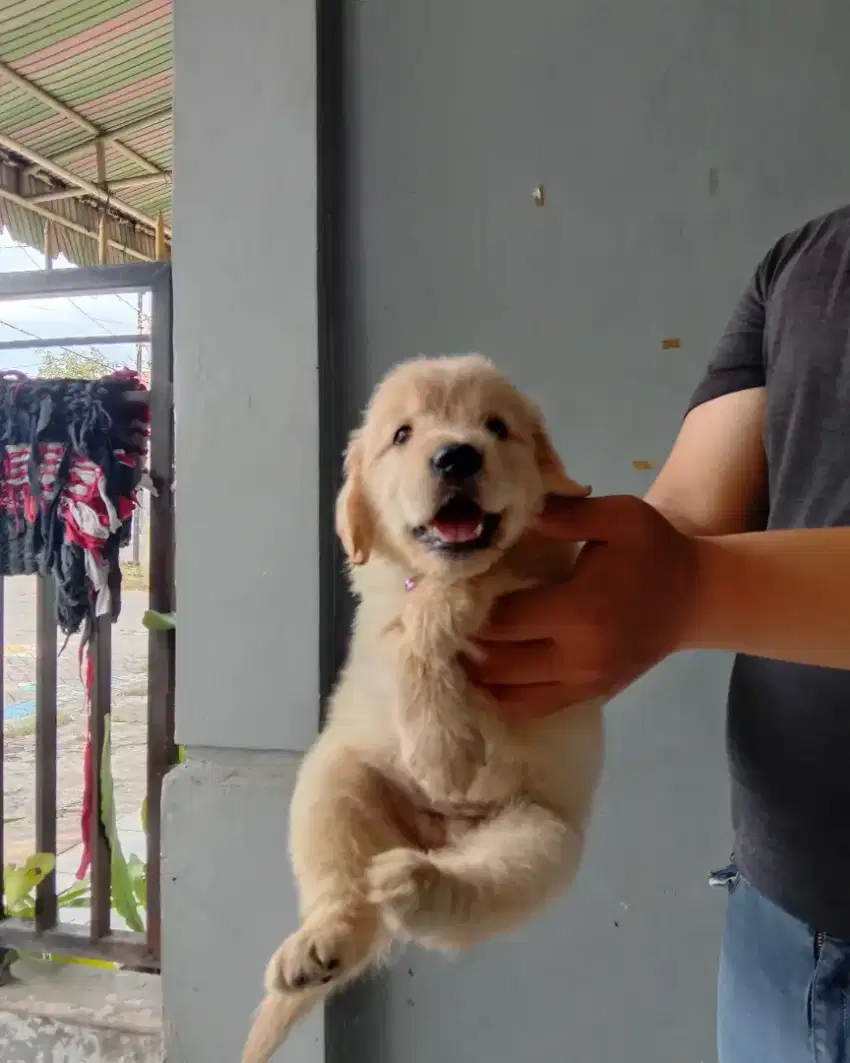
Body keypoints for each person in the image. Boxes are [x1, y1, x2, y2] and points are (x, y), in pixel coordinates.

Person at [469, 205, 850, 1063]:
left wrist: (684, 590)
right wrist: (533, 569)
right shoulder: (805, 259)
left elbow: (687, 571)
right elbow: (683, 518)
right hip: (781, 916)